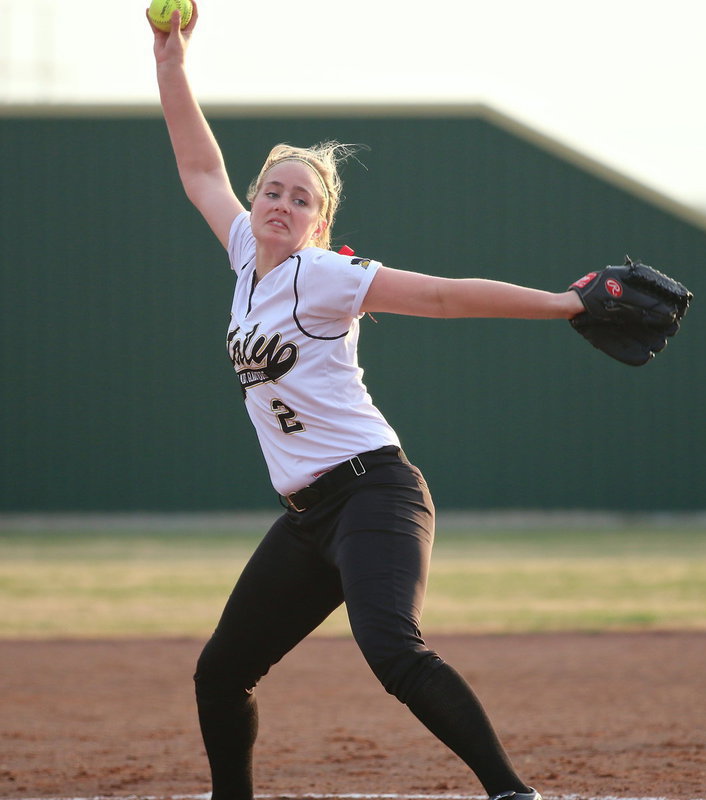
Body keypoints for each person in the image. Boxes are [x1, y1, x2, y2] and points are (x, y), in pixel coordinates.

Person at [148, 6, 584, 800]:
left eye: (301, 199)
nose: (282, 205)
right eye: (272, 191)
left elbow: (446, 298)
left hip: (373, 493)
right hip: (308, 515)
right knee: (221, 674)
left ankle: (513, 794)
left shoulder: (324, 276)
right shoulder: (248, 255)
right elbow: (199, 169)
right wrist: (171, 61)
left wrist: (564, 304)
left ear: (321, 221)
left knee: (391, 650)